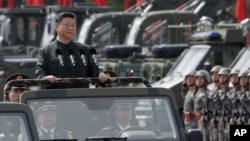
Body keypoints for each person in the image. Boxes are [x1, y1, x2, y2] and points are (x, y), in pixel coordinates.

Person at [34, 12, 108, 89]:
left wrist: (100, 75)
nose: (71, 28)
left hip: (80, 97)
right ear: (56, 26)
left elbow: (94, 72)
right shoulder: (46, 51)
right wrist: (46, 78)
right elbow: (39, 75)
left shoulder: (85, 50)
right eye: (67, 25)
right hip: (56, 97)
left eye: (73, 25)